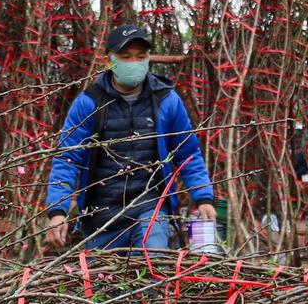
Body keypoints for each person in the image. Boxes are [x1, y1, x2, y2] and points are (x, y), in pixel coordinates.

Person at [45, 24, 220, 251]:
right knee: (103, 272)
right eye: (126, 57)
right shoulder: (89, 103)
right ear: (109, 61)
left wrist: (203, 198)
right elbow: (68, 159)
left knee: (152, 262)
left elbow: (188, 154)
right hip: (100, 215)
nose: (134, 63)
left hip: (151, 208)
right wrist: (57, 210)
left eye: (141, 56)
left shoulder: (166, 100)